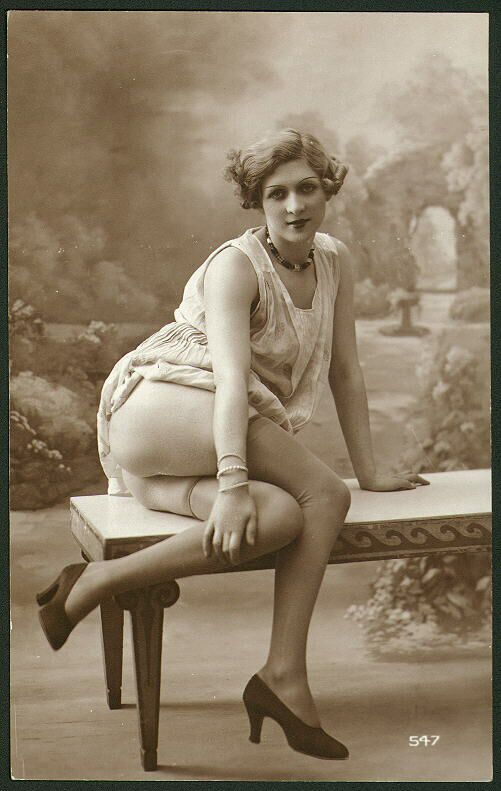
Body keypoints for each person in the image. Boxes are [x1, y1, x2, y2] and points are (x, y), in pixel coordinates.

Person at [36, 128, 429, 761]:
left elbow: (346, 371)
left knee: (281, 515)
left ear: (327, 189)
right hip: (165, 403)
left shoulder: (334, 261)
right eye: (277, 194)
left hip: (178, 446)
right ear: (257, 201)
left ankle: (98, 580)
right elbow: (228, 382)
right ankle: (286, 675)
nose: (295, 206)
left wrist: (373, 471)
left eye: (307, 188)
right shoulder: (236, 267)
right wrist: (232, 483)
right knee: (325, 494)